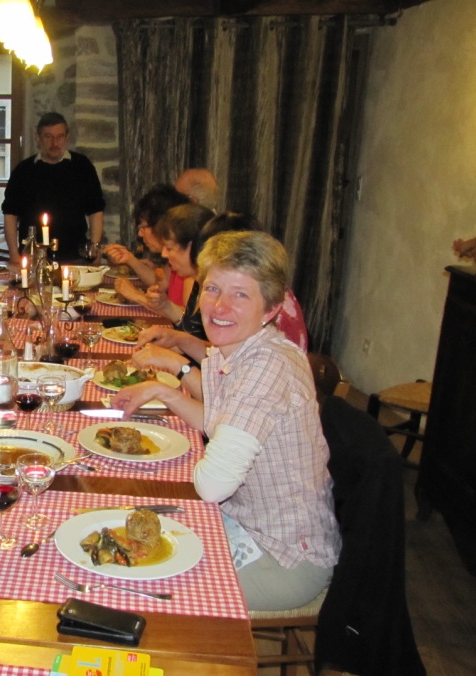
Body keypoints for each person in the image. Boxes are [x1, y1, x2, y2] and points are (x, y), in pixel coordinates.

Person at [114, 231, 340, 611]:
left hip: (282, 557)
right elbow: (219, 421)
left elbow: (213, 484)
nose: (220, 306)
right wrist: (163, 392)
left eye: (241, 294)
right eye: (213, 288)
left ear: (270, 308)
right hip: (242, 523)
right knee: (129, 534)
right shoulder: (241, 349)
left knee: (138, 584)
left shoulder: (267, 367)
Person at [133, 212, 310, 367]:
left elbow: (222, 386)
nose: (220, 306)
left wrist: (178, 364)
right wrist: (179, 340)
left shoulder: (267, 313)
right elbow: (222, 359)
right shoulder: (259, 291)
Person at [2, 112, 105, 265]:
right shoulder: (24, 171)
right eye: (48, 137)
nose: (54, 143)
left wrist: (95, 247)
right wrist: (13, 252)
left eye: (60, 136)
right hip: (33, 258)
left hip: (75, 257)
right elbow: (10, 214)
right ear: (38, 138)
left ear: (67, 137)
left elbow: (96, 209)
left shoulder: (82, 166)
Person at [115, 203, 214, 334]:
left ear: (192, 246)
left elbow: (208, 347)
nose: (164, 254)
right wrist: (165, 305)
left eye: (169, 248)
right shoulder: (197, 282)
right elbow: (190, 330)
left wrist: (137, 296)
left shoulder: (212, 288)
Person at [103, 184, 191, 306]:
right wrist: (130, 259)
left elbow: (187, 319)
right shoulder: (176, 255)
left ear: (161, 225)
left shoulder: (191, 264)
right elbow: (163, 283)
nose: (139, 234)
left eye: (143, 227)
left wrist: (137, 296)